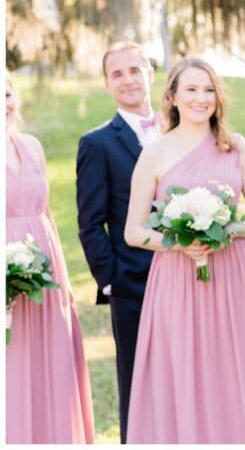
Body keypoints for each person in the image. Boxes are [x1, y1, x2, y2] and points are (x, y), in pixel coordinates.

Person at [123, 58, 245, 443]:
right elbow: (134, 230)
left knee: (238, 369)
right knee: (185, 369)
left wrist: (226, 231)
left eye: (209, 89)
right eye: (192, 90)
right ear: (173, 97)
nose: (202, 98)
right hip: (178, 279)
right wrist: (179, 242)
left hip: (234, 274)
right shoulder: (155, 153)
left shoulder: (235, 145)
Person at [6, 77, 95, 443]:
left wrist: (66, 281)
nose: (3, 104)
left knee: (51, 368)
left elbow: (47, 213)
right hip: (7, 278)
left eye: (7, 93)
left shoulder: (31, 146)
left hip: (46, 272)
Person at [75, 42, 157, 442]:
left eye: (134, 70)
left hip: (190, 277)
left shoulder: (182, 131)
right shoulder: (98, 143)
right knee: (138, 385)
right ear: (107, 84)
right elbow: (90, 223)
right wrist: (112, 282)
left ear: (150, 73)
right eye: (117, 74)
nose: (128, 80)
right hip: (133, 285)